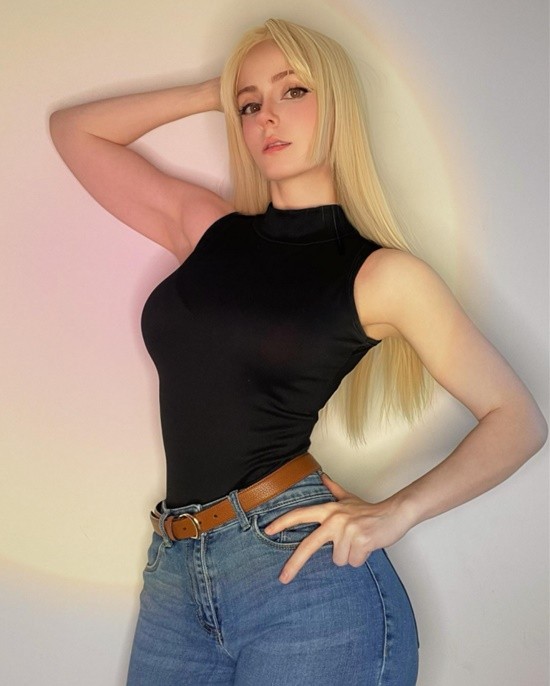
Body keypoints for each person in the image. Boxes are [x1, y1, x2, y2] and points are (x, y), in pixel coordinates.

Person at [49, 17, 546, 686]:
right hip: (174, 571)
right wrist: (212, 92)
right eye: (249, 104)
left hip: (299, 573)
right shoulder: (209, 231)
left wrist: (397, 511)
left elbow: (518, 420)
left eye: (293, 91)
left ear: (336, 102)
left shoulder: (382, 276)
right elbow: (75, 132)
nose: (266, 117)